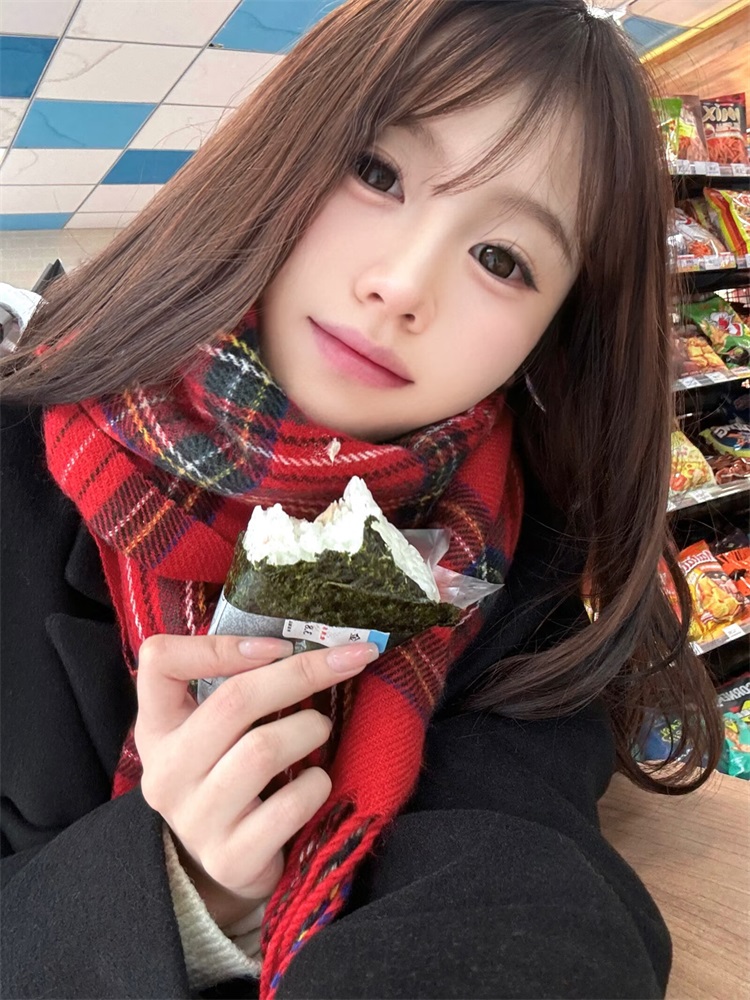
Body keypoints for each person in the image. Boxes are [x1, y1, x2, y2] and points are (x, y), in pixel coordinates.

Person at [0, 1, 725, 997]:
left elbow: (525, 873)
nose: (402, 284)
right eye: (377, 172)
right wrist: (178, 890)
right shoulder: (17, 474)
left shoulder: (516, 560)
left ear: (552, 335)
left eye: (502, 259)